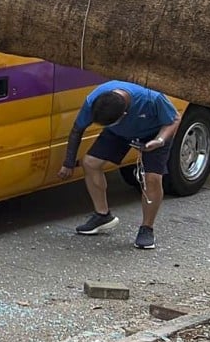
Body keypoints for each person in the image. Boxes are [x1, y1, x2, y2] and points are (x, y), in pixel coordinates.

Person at [58, 81, 180, 250]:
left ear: (124, 114)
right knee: (90, 163)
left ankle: (147, 228)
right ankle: (102, 216)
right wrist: (68, 163)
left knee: (151, 178)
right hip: (118, 134)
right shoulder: (95, 100)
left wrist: (159, 141)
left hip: (154, 134)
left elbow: (174, 119)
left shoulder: (152, 98)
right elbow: (77, 130)